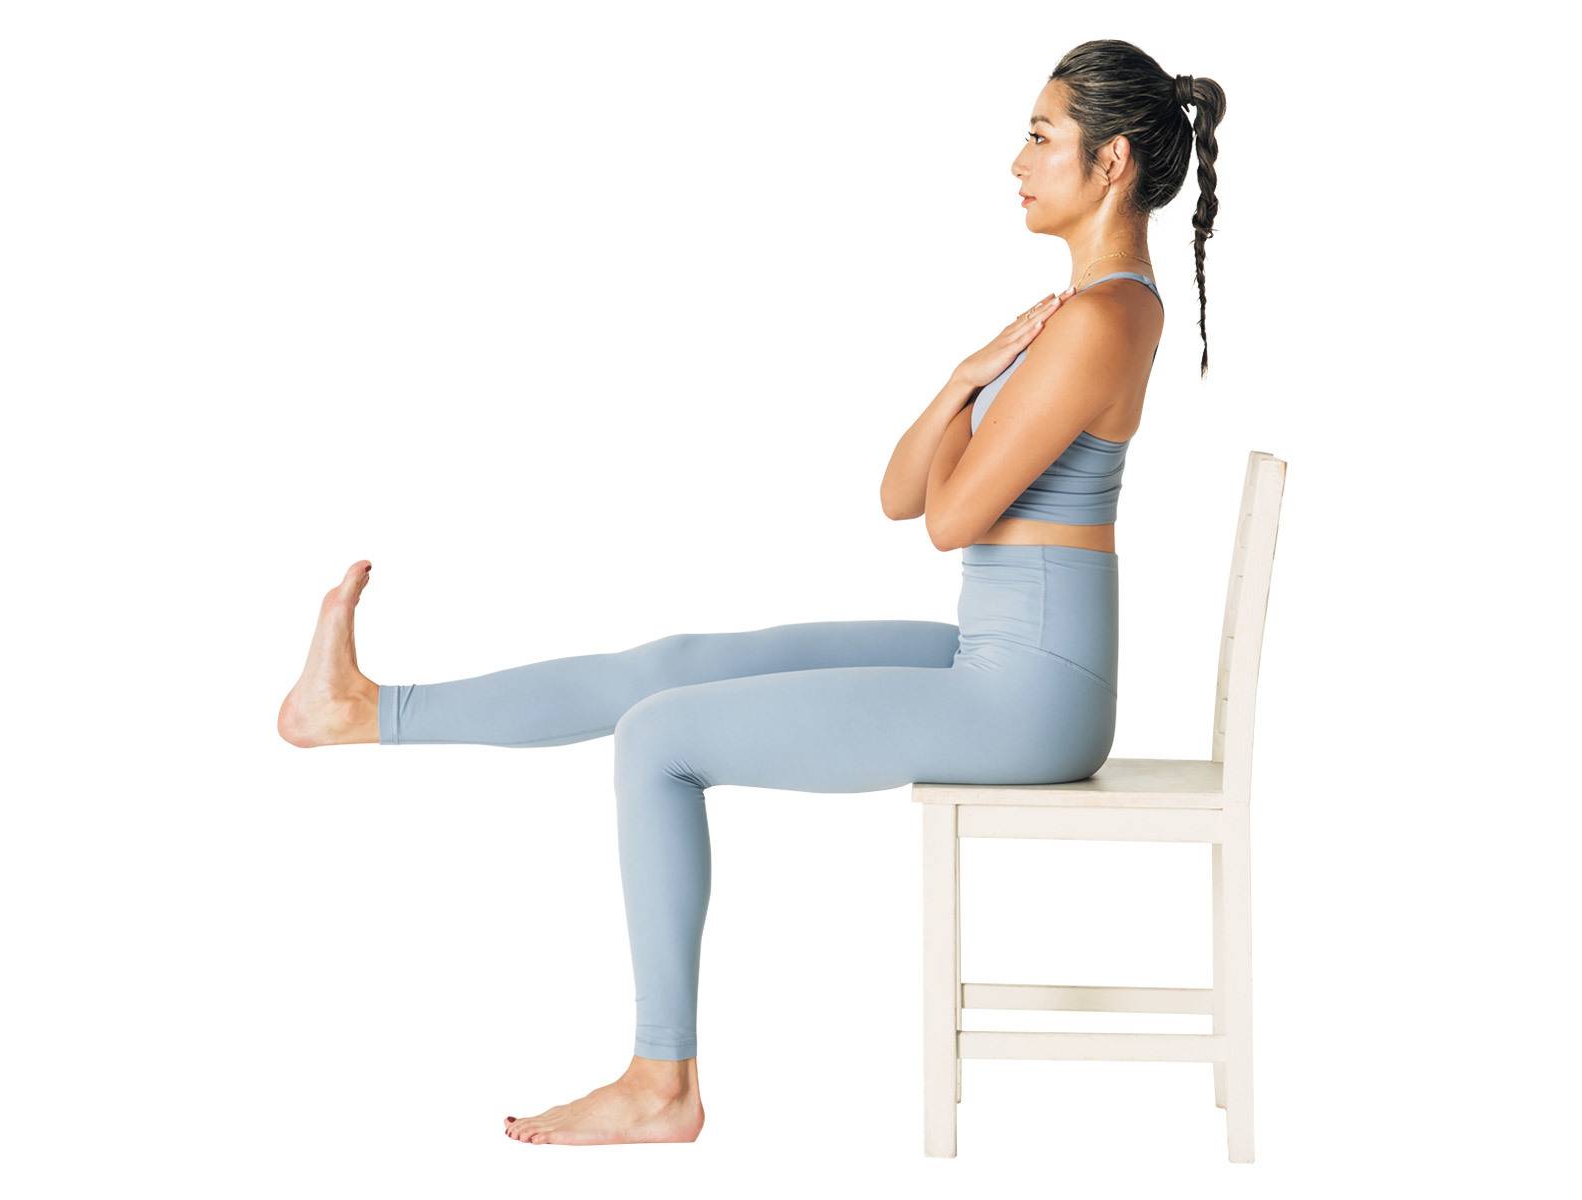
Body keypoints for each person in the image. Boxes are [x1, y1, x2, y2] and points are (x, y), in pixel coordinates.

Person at [276, 38, 1224, 1147]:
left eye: (1039, 135)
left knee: (660, 740)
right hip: (1002, 651)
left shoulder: (1102, 318)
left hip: (1032, 695)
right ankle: (363, 710)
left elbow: (951, 519)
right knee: (673, 670)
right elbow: (899, 496)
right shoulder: (1072, 313)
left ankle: (660, 1083)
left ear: (1109, 163)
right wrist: (962, 380)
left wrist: (967, 425)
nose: (1016, 160)